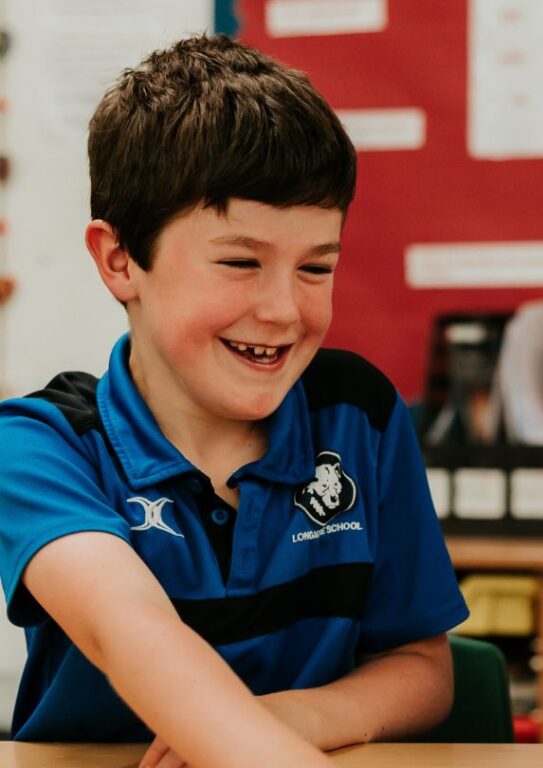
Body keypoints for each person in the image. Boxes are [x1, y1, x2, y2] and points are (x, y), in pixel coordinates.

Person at [0, 35, 468, 768]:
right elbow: (129, 631)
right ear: (120, 260)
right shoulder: (39, 446)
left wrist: (303, 716)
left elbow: (423, 665)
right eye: (240, 263)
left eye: (317, 267)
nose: (284, 309)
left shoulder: (359, 415)